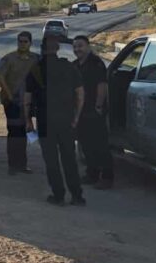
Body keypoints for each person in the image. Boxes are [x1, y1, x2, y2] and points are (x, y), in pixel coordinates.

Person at [25, 33, 85, 205]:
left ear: (42, 49)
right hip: (66, 120)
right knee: (69, 158)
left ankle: (58, 195)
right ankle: (77, 195)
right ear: (58, 48)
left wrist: (28, 120)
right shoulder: (69, 67)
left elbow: (27, 99)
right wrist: (76, 117)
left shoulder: (35, 69)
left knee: (51, 159)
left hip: (45, 121)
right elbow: (80, 94)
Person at [72, 35, 115, 189]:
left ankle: (107, 177)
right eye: (75, 47)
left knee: (100, 144)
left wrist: (98, 106)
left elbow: (102, 86)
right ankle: (92, 173)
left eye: (80, 46)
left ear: (88, 46)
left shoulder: (96, 64)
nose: (77, 49)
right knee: (85, 144)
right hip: (80, 111)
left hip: (94, 110)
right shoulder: (75, 65)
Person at [0, 31, 39, 174]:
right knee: (14, 133)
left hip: (28, 103)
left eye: (25, 41)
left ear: (30, 43)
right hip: (12, 102)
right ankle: (13, 165)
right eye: (20, 41)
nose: (22, 44)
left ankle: (22, 164)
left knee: (24, 132)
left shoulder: (36, 59)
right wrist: (9, 95)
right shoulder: (10, 58)